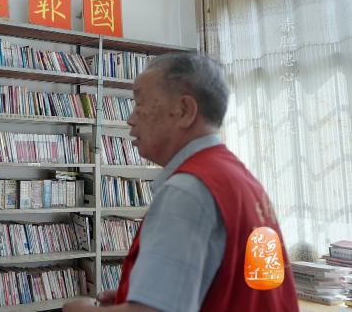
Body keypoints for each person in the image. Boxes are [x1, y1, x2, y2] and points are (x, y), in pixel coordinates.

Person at [63, 52, 298, 312]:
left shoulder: (187, 191)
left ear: (185, 111)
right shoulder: (236, 177)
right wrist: (133, 296)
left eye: (139, 104)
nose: (130, 119)